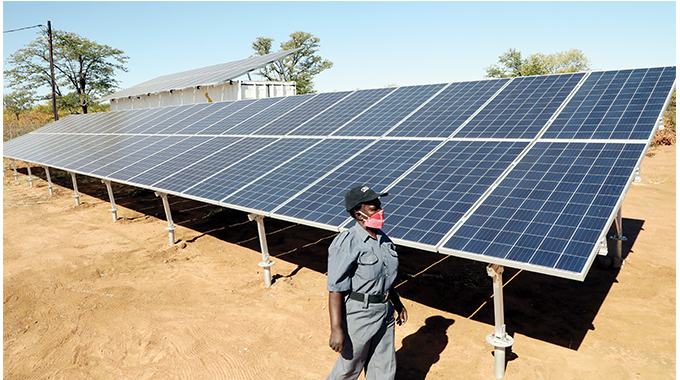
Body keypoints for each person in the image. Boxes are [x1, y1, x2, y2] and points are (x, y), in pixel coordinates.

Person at [325, 185, 408, 380]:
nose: (380, 211)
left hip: (385, 311)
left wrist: (396, 303)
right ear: (358, 213)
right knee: (348, 368)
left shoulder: (383, 239)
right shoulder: (348, 242)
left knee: (384, 369)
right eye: (373, 208)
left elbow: (385, 276)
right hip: (360, 313)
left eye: (379, 206)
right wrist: (336, 328)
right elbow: (335, 287)